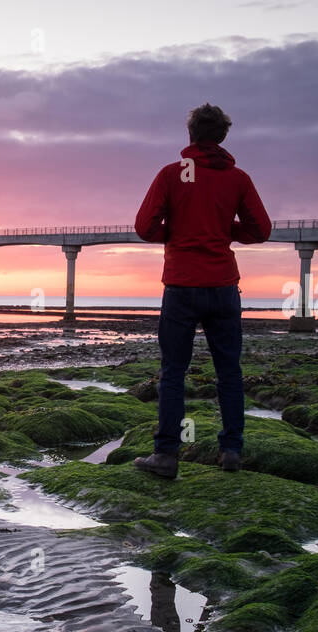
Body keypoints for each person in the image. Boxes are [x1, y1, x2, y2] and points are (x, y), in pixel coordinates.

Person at [131, 103, 271, 479]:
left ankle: (166, 455)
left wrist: (176, 234)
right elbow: (261, 230)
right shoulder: (238, 178)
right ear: (223, 137)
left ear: (190, 135)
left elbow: (145, 227)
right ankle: (231, 451)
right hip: (224, 286)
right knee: (229, 371)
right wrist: (225, 232)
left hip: (181, 285)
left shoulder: (172, 174)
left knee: (173, 372)